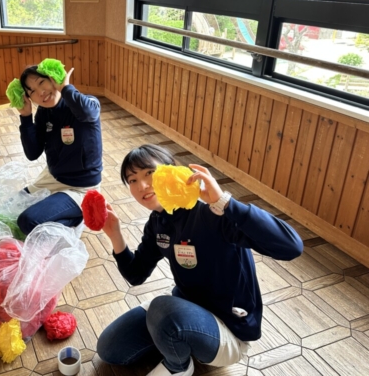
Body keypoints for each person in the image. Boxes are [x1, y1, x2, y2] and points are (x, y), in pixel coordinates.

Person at [96, 144, 303, 376]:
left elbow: (291, 246)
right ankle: (175, 336)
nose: (142, 186)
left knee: (162, 308)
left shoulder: (212, 212)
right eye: (132, 180)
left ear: (171, 171)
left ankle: (178, 366)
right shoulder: (157, 222)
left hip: (229, 329)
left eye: (149, 173)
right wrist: (115, 235)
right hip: (186, 308)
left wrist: (225, 202)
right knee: (110, 348)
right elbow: (136, 274)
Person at [15, 62, 103, 235]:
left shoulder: (86, 103)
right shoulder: (43, 113)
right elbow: (32, 153)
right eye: (32, 91)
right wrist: (26, 117)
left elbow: (88, 113)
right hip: (53, 177)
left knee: (27, 221)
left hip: (80, 187)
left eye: (42, 82)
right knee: (15, 203)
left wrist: (66, 89)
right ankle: (63, 207)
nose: (40, 92)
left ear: (53, 79)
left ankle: (84, 212)